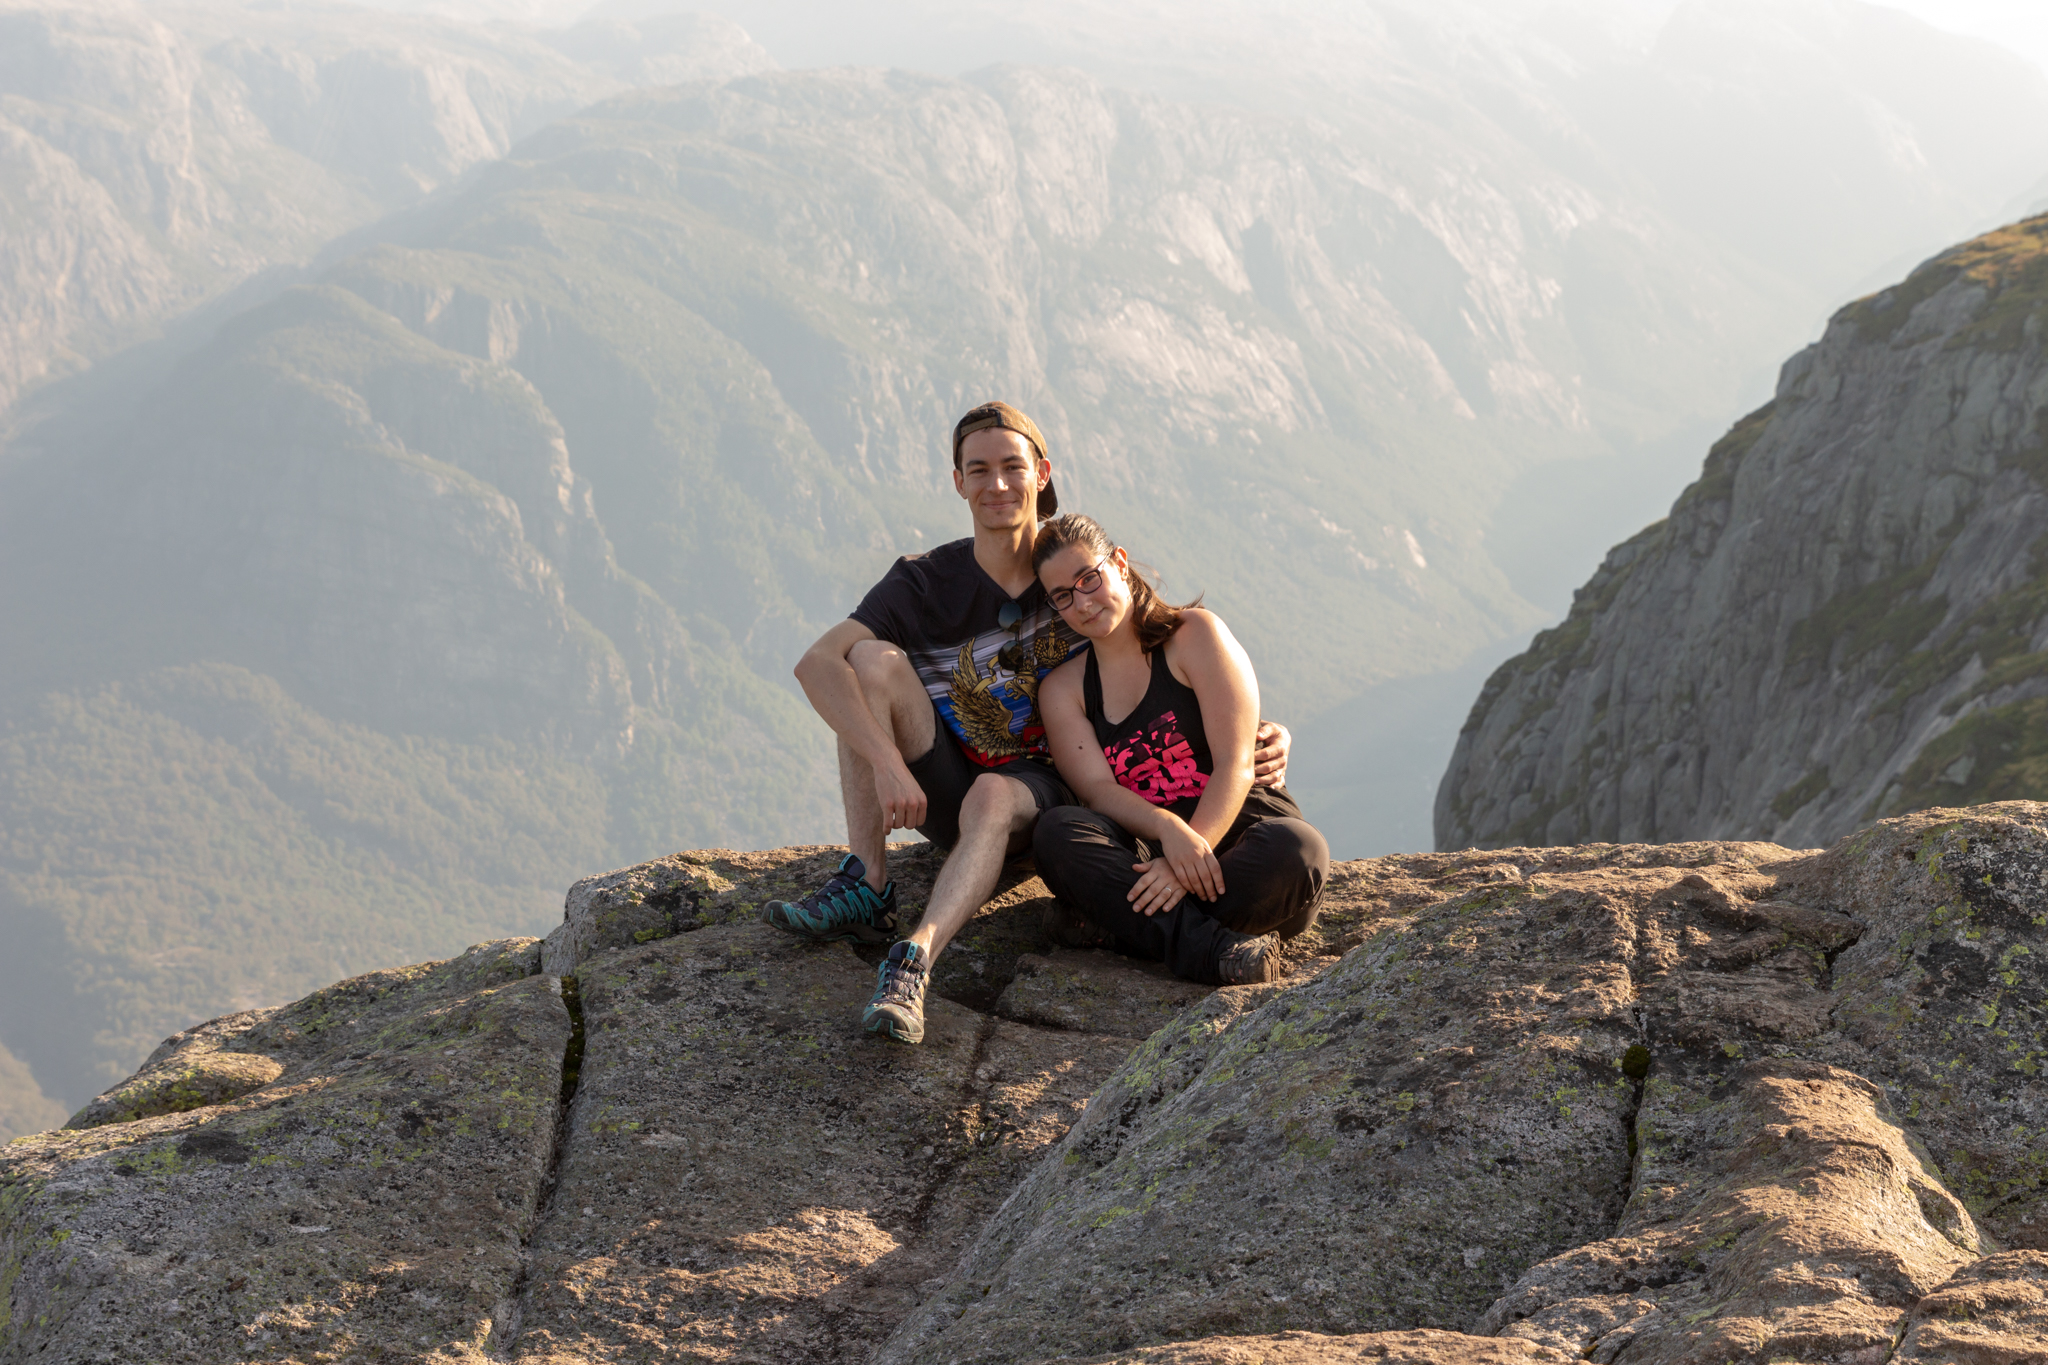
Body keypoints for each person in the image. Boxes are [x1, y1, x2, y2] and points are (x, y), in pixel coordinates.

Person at [765, 402, 1293, 1044]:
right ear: (956, 481)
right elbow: (815, 664)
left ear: (1041, 473)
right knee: (868, 661)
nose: (997, 485)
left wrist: (1254, 734)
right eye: (978, 469)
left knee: (998, 793)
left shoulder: (1068, 570)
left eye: (1012, 466)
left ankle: (914, 961)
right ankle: (867, 884)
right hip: (947, 784)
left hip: (1054, 796)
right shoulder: (923, 583)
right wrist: (886, 761)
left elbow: (1160, 643)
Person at [1028, 513, 1328, 986]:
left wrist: (1187, 858)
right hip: (1151, 851)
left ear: (1120, 563)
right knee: (1055, 832)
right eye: (1063, 596)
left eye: (1089, 578)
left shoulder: (1193, 636)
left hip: (1238, 845)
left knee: (1300, 849)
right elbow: (1098, 792)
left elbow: (1237, 764)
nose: (1082, 602)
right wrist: (1168, 833)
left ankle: (1130, 929)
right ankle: (1213, 950)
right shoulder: (1064, 690)